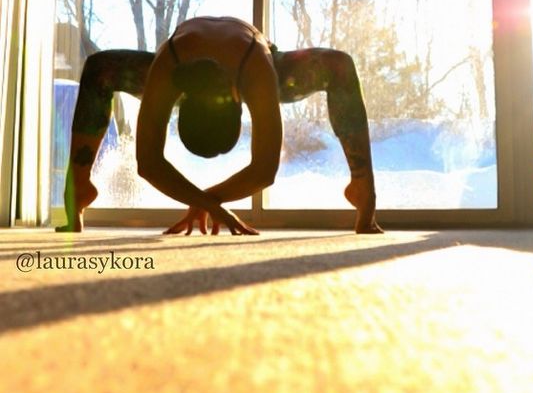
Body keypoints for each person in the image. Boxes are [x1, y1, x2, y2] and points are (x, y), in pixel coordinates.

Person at [56, 16, 382, 235]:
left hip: (251, 55)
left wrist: (205, 201)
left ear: (238, 101)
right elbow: (149, 163)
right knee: (101, 69)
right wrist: (209, 204)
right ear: (181, 101)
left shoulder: (256, 72)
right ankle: (79, 187)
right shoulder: (168, 70)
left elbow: (265, 170)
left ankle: (362, 188)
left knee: (339, 66)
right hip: (189, 59)